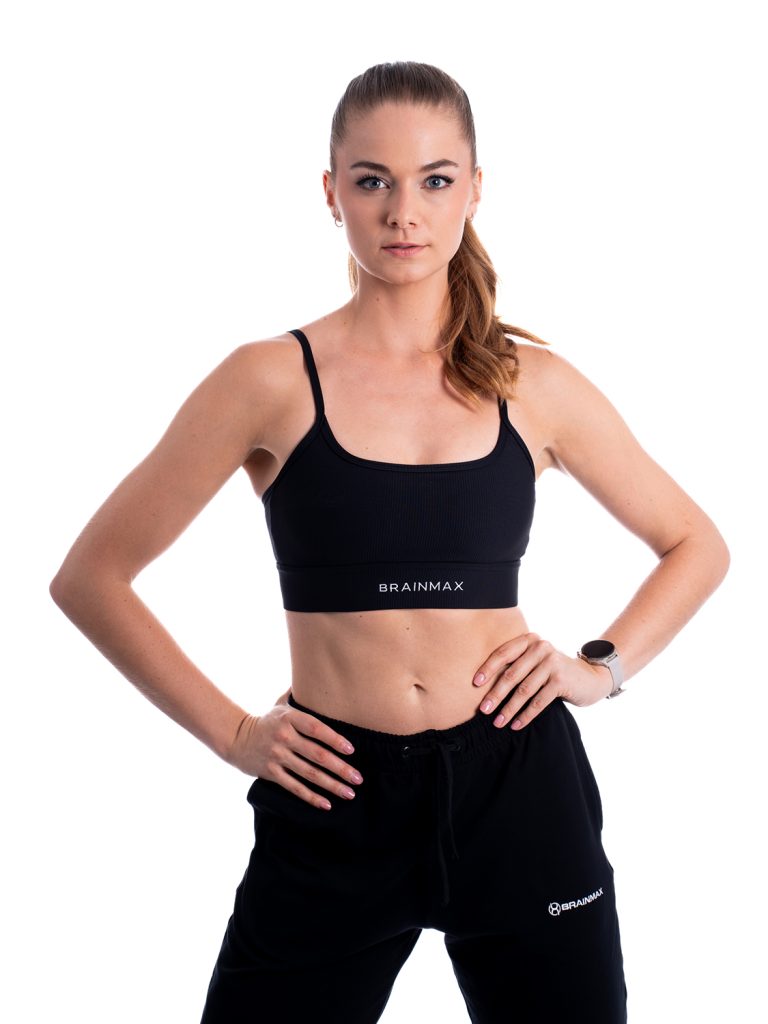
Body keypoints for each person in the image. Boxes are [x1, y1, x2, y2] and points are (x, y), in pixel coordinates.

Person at [50, 60, 729, 1024]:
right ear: (332, 193)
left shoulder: (532, 383)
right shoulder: (268, 380)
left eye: (434, 179)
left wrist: (598, 669)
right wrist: (236, 735)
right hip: (334, 793)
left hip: (517, 788)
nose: (404, 212)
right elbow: (91, 577)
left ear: (474, 190)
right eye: (373, 180)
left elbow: (695, 542)